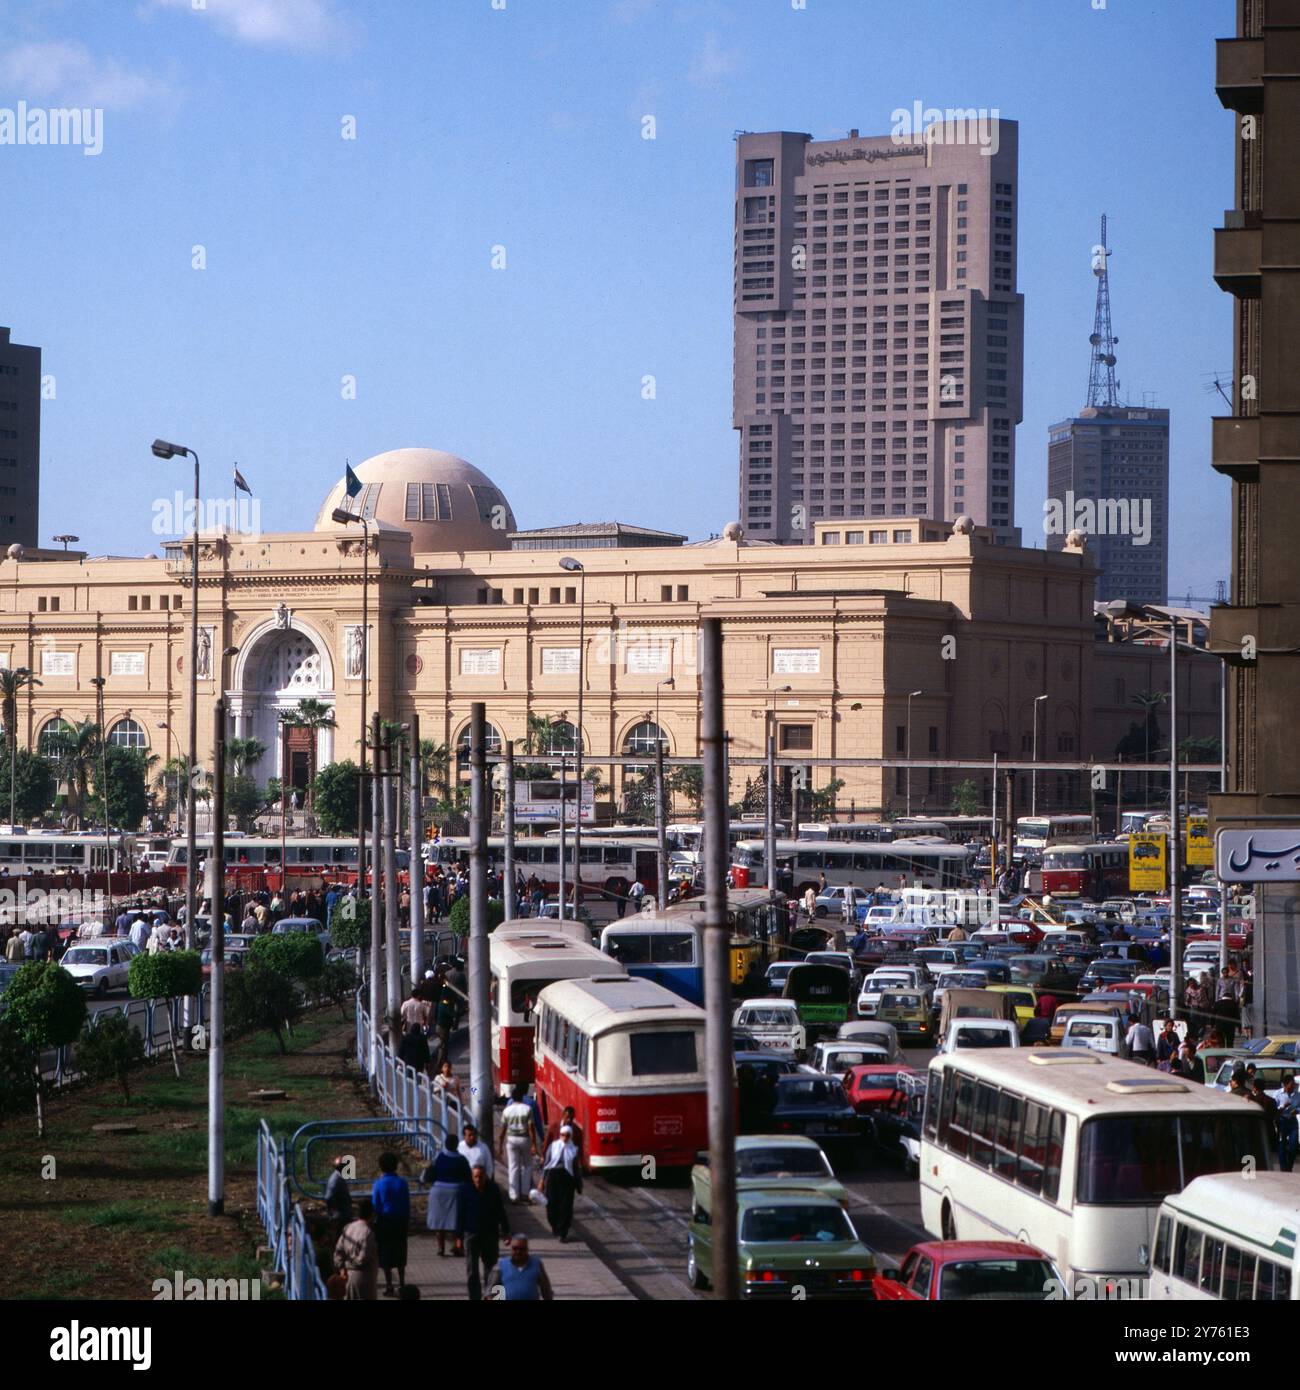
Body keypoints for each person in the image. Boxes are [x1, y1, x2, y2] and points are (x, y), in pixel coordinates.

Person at [461, 1164, 511, 1301]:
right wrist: (458, 1237)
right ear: (472, 1177)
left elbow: (501, 1211)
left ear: (486, 1177)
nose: (478, 1180)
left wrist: (506, 1232)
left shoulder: (493, 1189)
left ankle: (492, 1297)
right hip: (471, 1234)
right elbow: (460, 1213)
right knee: (472, 1271)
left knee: (492, 1270)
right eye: (475, 1177)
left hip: (490, 1235)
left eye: (481, 1177)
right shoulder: (465, 1189)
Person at [422, 1135, 471, 1257]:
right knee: (456, 1222)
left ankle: (441, 1248)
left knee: (440, 1223)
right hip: (456, 1192)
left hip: (437, 1192)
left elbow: (429, 1174)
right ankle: (458, 1246)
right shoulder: (462, 1160)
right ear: (456, 1145)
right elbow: (468, 1178)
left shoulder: (439, 1157)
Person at [371, 1152, 410, 1298]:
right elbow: (407, 1204)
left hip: (384, 1222)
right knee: (400, 1252)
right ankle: (402, 1283)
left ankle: (389, 1285)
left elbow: (375, 1204)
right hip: (400, 1222)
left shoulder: (379, 1184)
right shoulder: (403, 1183)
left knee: (386, 1254)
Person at [539, 1123, 582, 1242]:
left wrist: (579, 1185)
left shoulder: (573, 1149)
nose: (565, 1138)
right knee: (551, 1203)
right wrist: (542, 1180)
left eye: (567, 1135)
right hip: (553, 1176)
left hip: (567, 1179)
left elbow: (576, 1169)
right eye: (562, 1135)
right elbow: (547, 1164)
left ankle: (562, 1232)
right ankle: (554, 1226)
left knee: (566, 1206)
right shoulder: (553, 1147)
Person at [497, 1085, 538, 1203]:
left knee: (513, 1167)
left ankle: (514, 1195)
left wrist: (500, 1146)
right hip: (524, 1139)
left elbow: (502, 1131)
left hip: (511, 1140)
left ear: (513, 1098)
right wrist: (534, 1144)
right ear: (522, 1097)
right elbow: (531, 1128)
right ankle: (525, 1193)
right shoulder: (527, 1109)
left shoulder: (506, 1110)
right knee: (527, 1166)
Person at [332, 1197, 378, 1300]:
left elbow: (338, 1251)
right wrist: (348, 1265)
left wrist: (342, 1267)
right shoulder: (368, 1233)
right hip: (364, 1279)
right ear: (371, 1214)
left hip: (346, 1276)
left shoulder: (348, 1227)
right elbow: (363, 1258)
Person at [485, 1234, 553, 1302]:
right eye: (515, 1248)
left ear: (527, 1249)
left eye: (522, 1249)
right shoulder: (501, 1265)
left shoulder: (536, 1264)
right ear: (511, 1248)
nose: (518, 1251)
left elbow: (546, 1289)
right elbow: (490, 1291)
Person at [1270, 1073, 1300, 1172]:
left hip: (1292, 1121)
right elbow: (1274, 1108)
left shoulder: (1297, 1095)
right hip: (1282, 1120)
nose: (1293, 1086)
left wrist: (1297, 1111)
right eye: (1291, 1084)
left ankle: (1289, 1166)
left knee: (1293, 1145)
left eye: (1294, 1084)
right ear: (1285, 1084)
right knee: (1282, 1144)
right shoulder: (1277, 1094)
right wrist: (1283, 1106)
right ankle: (1284, 1168)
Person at [324, 1155, 352, 1231]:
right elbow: (328, 1197)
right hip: (340, 1217)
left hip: (343, 1215)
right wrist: (335, 1211)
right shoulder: (335, 1179)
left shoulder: (338, 1178)